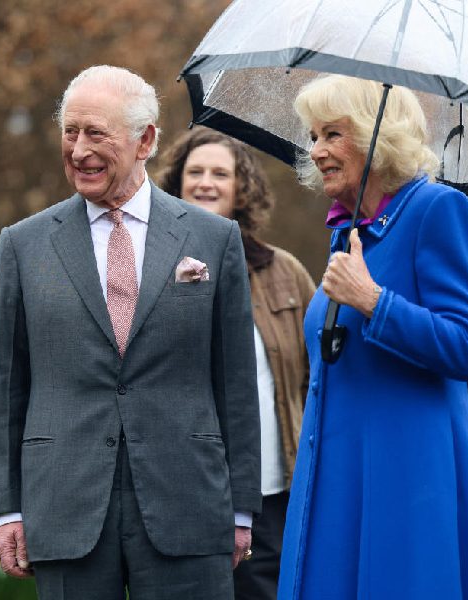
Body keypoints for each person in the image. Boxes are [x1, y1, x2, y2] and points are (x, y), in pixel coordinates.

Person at [0, 65, 262, 600]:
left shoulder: (214, 238)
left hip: (190, 504)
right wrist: (5, 509)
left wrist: (241, 508)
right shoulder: (23, 245)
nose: (78, 149)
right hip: (64, 506)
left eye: (96, 133)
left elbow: (236, 385)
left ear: (145, 141)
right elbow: (3, 388)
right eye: (70, 132)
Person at [277, 74, 468, 599]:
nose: (315, 151)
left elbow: (467, 347)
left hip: (408, 476)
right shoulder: (348, 232)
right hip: (337, 474)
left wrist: (374, 301)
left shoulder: (436, 209)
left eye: (332, 134)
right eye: (313, 136)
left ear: (375, 136)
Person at [157, 128, 315, 600]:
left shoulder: (284, 271)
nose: (206, 182)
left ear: (242, 188)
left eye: (220, 174)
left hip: (269, 490)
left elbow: (319, 376)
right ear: (176, 184)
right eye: (195, 172)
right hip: (178, 490)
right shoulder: (148, 265)